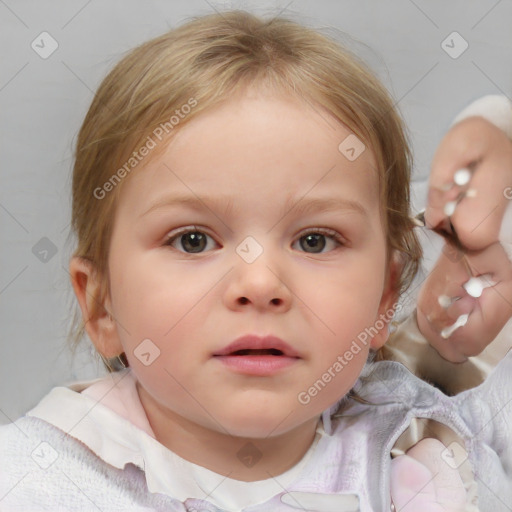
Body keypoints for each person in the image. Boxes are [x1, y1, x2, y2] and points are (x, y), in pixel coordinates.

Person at [0, 10, 511, 512]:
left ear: (383, 296)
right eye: (193, 241)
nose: (261, 283)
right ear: (101, 307)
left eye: (315, 241)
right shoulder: (34, 482)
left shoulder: (428, 441)